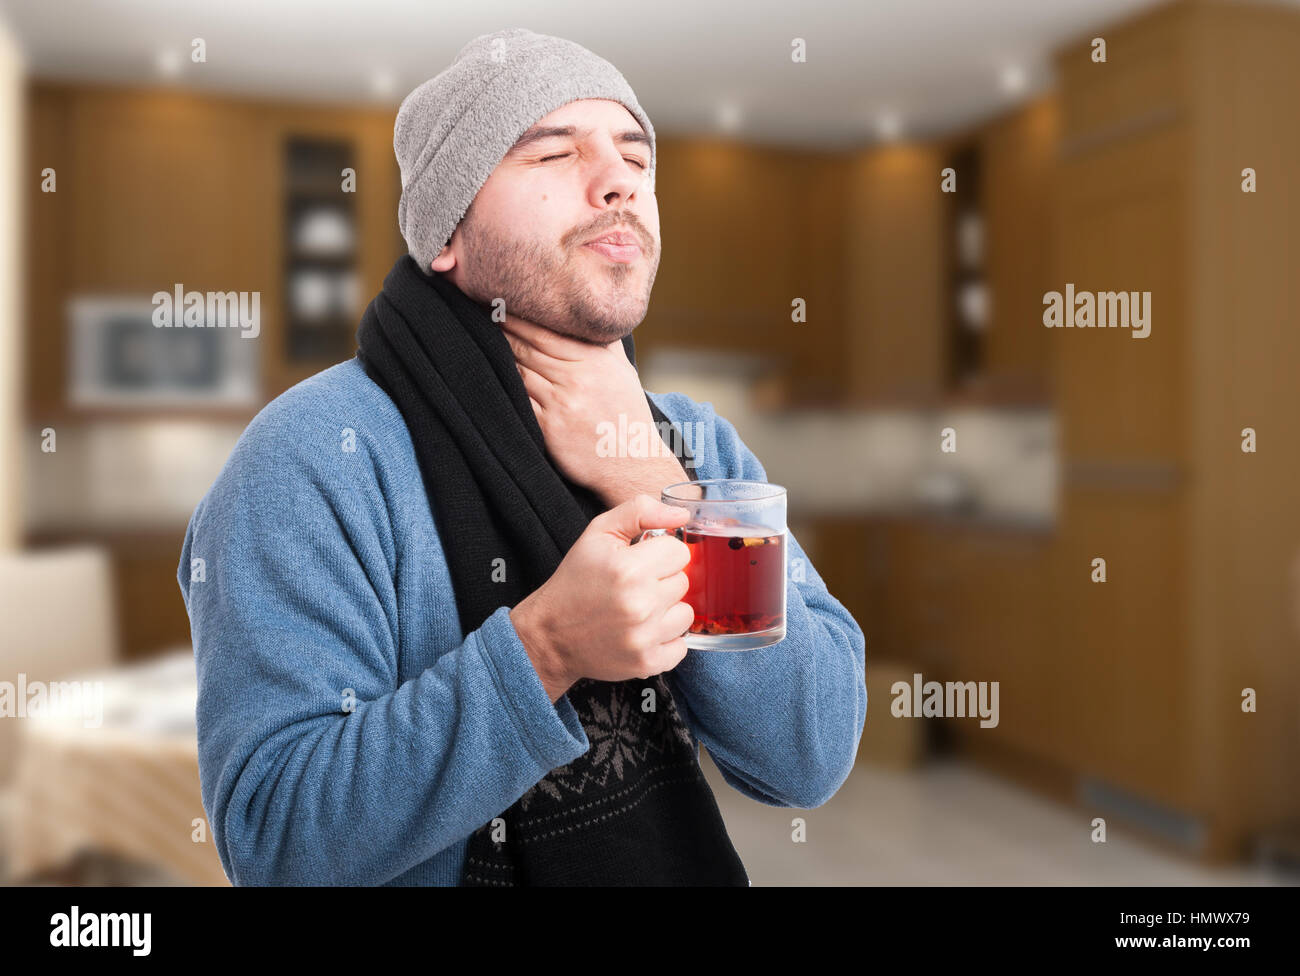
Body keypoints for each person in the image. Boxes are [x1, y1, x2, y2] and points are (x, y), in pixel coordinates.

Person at [178, 27, 866, 887]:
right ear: (446, 233)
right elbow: (275, 841)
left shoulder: (689, 446)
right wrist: (545, 649)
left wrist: (655, 481)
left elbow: (810, 750)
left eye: (635, 156)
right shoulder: (309, 459)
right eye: (550, 152)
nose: (619, 178)